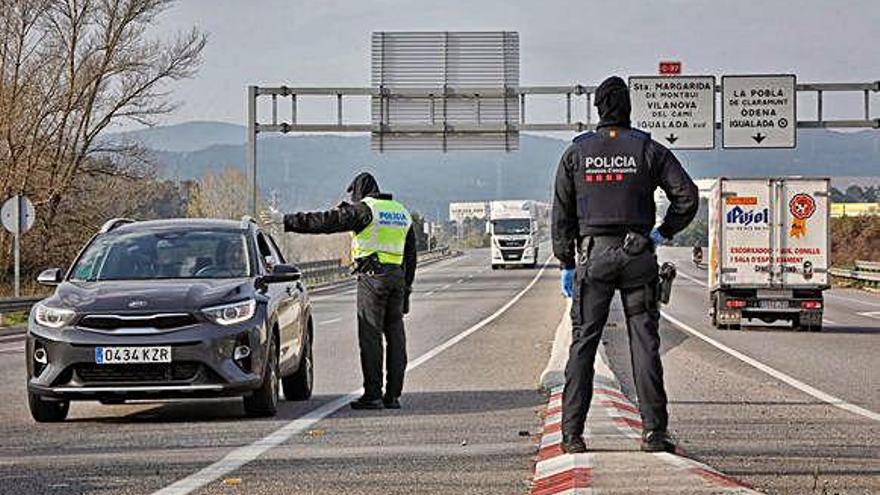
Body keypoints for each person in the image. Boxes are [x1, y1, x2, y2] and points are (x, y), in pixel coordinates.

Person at [552, 76, 699, 454]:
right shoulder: (648, 149)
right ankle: (654, 433)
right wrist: (661, 234)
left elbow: (561, 215)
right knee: (645, 344)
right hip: (638, 256)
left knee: (583, 344)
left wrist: (568, 262)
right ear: (629, 107)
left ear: (599, 108)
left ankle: (572, 436)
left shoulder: (576, 153)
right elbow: (687, 196)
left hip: (594, 257)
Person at [262, 172, 417, 410]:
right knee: (396, 338)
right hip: (397, 279)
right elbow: (411, 258)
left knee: (371, 337)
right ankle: (393, 396)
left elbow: (327, 221)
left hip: (372, 278)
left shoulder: (365, 210)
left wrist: (285, 221)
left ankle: (373, 395)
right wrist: (406, 291)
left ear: (359, 192)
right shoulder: (400, 212)